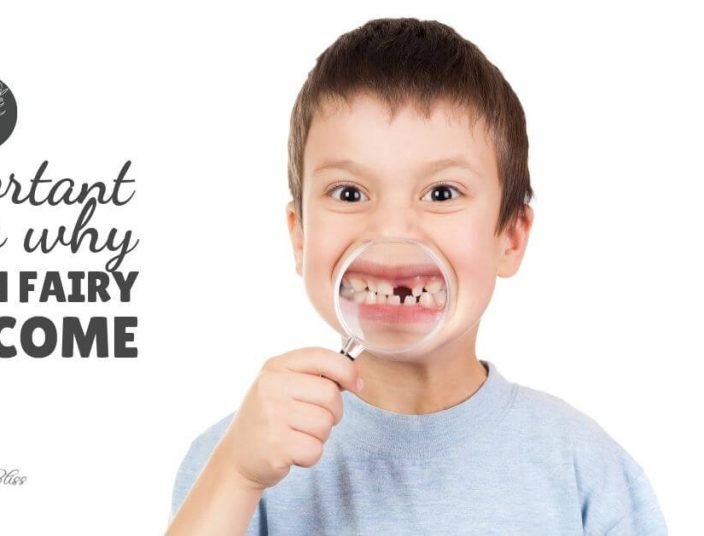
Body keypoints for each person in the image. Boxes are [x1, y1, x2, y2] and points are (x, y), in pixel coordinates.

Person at [167, 17, 667, 535]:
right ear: (300, 236)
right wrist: (237, 477)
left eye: (442, 193)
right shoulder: (238, 459)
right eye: (349, 193)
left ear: (510, 237)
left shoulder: (582, 467)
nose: (390, 230)